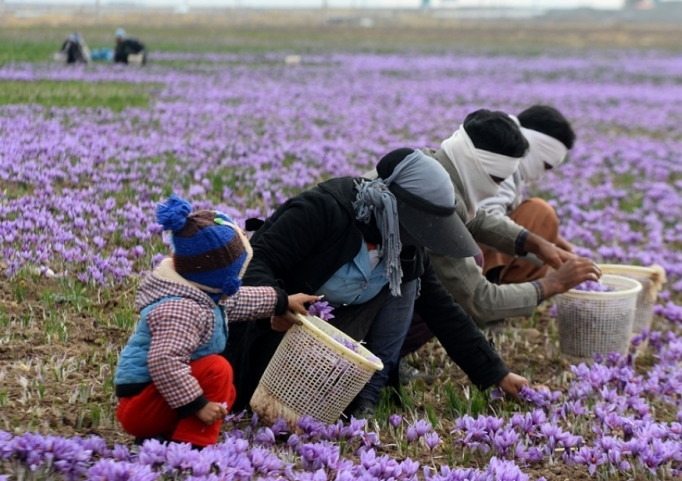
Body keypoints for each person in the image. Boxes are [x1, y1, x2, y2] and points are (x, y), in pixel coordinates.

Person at [225, 148, 530, 420]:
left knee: (409, 283)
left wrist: (496, 373)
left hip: (331, 344)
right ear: (393, 206)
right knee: (260, 400)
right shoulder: (324, 210)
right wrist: (276, 304)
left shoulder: (405, 246)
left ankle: (367, 395)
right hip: (275, 331)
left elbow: (443, 311)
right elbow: (259, 259)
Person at [397, 110, 600, 366]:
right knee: (446, 290)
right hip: (355, 308)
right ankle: (386, 358)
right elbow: (479, 299)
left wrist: (536, 243)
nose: (495, 189)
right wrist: (553, 284)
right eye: (496, 180)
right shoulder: (435, 206)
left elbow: (475, 217)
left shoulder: (432, 164)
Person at [113, 195, 316, 447]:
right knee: (217, 371)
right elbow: (164, 361)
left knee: (225, 392)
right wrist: (197, 404)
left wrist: (282, 301)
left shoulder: (198, 291)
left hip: (156, 397)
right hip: (141, 406)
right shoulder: (180, 309)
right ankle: (191, 448)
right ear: (223, 280)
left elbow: (239, 301)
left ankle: (163, 438)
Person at [478, 105, 577, 285]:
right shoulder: (502, 161)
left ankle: (496, 296)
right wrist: (540, 245)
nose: (542, 175)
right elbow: (486, 219)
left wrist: (552, 241)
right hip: (457, 261)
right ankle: (493, 298)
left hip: (455, 253)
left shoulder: (497, 148)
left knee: (541, 227)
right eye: (546, 166)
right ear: (533, 147)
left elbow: (507, 213)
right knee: (541, 213)